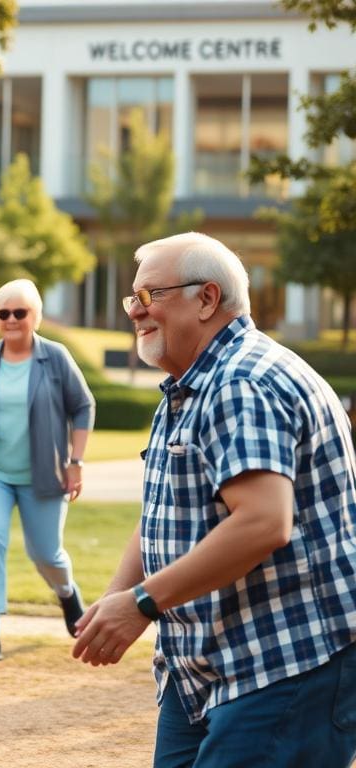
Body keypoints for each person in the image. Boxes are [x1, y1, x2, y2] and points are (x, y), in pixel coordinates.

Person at [72, 232, 356, 768]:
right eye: (132, 297)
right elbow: (163, 510)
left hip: (284, 662)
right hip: (204, 668)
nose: (136, 312)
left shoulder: (242, 382)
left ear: (207, 299)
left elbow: (262, 522)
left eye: (150, 295)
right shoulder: (189, 387)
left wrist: (140, 604)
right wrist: (115, 601)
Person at [0, 278, 94, 661]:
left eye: (20, 312)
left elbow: (83, 406)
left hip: (44, 475)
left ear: (36, 316)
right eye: (4, 313)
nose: (11, 319)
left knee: (46, 555)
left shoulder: (56, 356)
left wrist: (76, 463)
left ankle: (67, 593)